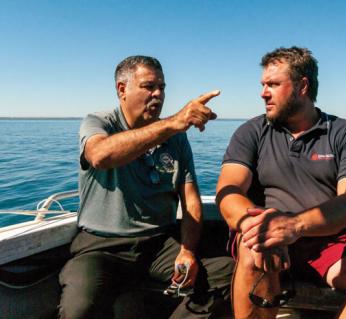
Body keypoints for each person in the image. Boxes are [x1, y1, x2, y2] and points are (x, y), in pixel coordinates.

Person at [216, 47, 346, 319]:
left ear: (302, 86)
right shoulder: (251, 131)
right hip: (264, 242)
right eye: (263, 84)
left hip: (328, 243)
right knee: (254, 242)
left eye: (273, 84)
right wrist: (260, 226)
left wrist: (292, 226)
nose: (263, 92)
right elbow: (228, 190)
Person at [59, 55, 233, 319]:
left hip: (159, 244)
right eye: (149, 86)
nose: (158, 94)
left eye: (162, 87)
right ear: (122, 89)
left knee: (229, 272)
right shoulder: (99, 121)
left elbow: (191, 201)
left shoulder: (176, 139)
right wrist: (173, 123)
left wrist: (187, 251)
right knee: (79, 308)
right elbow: (100, 156)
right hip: (102, 246)